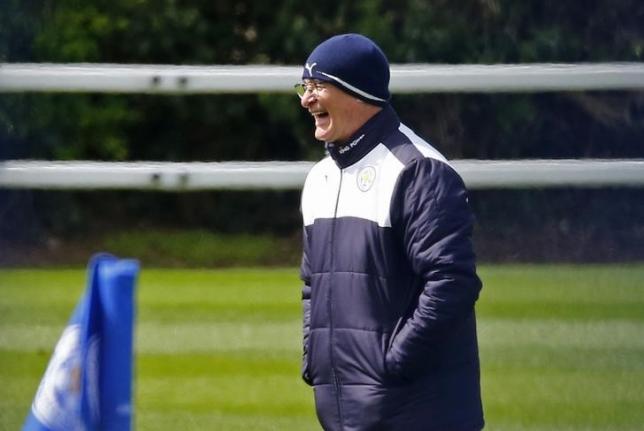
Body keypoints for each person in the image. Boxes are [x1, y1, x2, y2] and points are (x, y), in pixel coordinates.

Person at [297, 33, 484, 431]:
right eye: (305, 86)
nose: (306, 99)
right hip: (346, 413)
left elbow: (452, 282)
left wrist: (393, 362)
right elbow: (312, 284)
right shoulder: (320, 178)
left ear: (357, 91)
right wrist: (315, 359)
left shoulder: (419, 170)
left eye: (318, 86)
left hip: (417, 414)